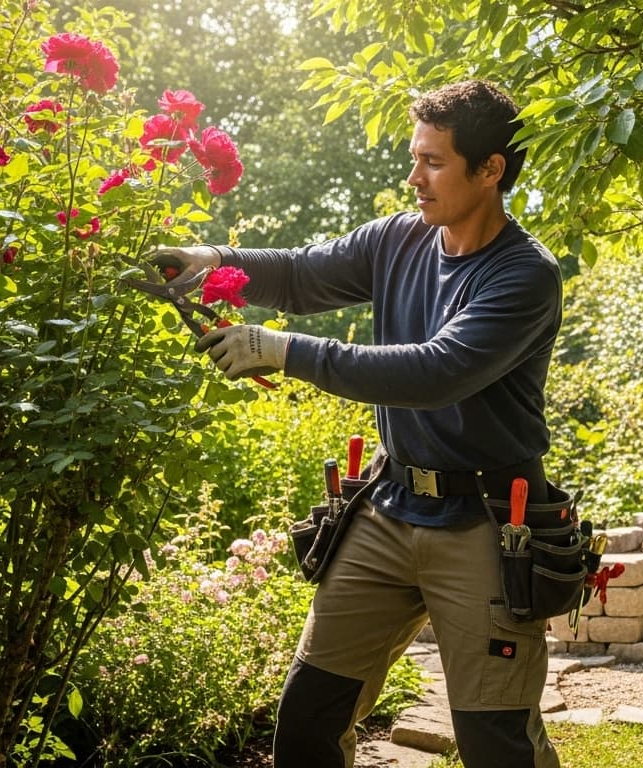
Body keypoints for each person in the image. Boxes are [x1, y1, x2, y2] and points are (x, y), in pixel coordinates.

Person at [154, 80, 564, 767]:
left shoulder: (524, 275)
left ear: (490, 169)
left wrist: (283, 351)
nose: (414, 178)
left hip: (487, 520)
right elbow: (302, 274)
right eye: (415, 157)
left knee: (496, 743)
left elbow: (436, 373)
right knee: (310, 718)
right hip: (389, 507)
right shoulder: (399, 239)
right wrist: (215, 263)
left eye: (434, 162)